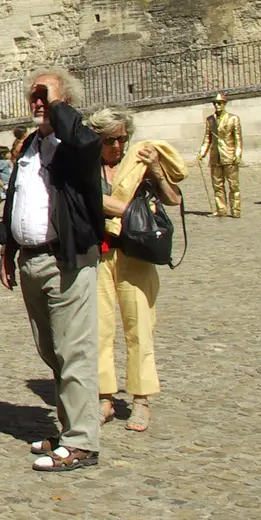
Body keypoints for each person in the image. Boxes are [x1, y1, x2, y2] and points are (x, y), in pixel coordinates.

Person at [0, 69, 106, 475]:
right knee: (52, 349)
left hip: (67, 258)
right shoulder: (29, 146)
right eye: (33, 95)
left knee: (74, 350)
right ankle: (69, 427)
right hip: (31, 258)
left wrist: (59, 106)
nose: (38, 101)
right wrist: (8, 248)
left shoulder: (76, 143)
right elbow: (17, 199)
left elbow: (86, 143)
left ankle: (82, 440)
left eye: (46, 95)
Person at [87, 108, 183, 434]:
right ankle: (104, 397)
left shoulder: (138, 164)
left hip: (135, 252)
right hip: (98, 254)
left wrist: (156, 168)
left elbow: (173, 198)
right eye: (109, 140)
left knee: (139, 325)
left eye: (122, 139)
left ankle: (141, 398)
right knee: (98, 328)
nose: (117, 145)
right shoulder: (87, 167)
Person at [198, 93, 243, 217]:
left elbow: (238, 139)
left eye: (219, 103)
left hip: (229, 156)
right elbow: (207, 137)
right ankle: (221, 209)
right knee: (217, 185)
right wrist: (202, 152)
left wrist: (238, 154)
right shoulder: (210, 120)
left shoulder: (233, 119)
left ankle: (236, 210)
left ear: (224, 104)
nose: (217, 105)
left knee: (233, 185)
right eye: (215, 103)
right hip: (215, 156)